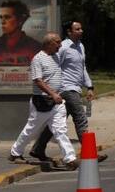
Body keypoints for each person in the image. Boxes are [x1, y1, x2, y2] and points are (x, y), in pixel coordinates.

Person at [30, 21, 107, 163]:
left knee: (56, 121)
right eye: (77, 29)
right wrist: (53, 89)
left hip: (76, 89)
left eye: (81, 28)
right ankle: (90, 152)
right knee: (81, 118)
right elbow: (53, 66)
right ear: (69, 32)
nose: (81, 31)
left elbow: (82, 68)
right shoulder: (63, 47)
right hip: (66, 89)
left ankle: (38, 149)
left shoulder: (80, 46)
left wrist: (89, 86)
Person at [8, 33, 78, 170]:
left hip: (57, 102)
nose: (60, 45)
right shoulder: (38, 59)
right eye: (57, 42)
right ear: (49, 43)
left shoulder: (56, 56)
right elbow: (38, 80)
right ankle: (15, 153)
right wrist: (52, 93)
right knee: (31, 129)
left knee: (60, 130)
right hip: (42, 101)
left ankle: (70, 159)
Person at [0, 0, 41, 66]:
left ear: (20, 20)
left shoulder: (35, 47)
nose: (2, 22)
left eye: (7, 17)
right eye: (1, 17)